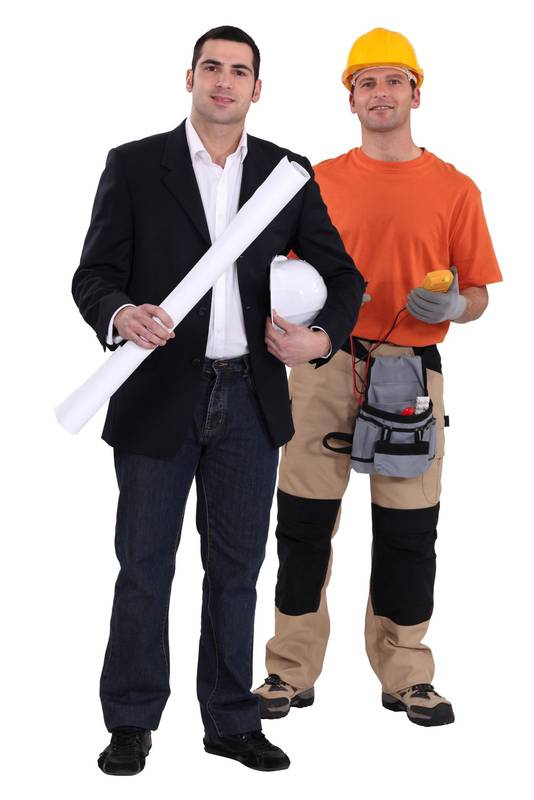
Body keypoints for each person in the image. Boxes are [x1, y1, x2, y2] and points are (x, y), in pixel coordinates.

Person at [71, 25, 363, 774]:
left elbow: (344, 277)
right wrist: (119, 313)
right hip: (157, 394)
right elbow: (93, 275)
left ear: (257, 88)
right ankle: (130, 719)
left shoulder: (285, 174)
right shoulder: (136, 165)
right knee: (144, 567)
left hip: (251, 399)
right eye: (212, 67)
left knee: (236, 571)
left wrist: (319, 339)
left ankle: (231, 721)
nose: (224, 81)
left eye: (239, 71)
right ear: (191, 77)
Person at [255, 27, 502, 727]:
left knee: (408, 529)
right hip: (323, 363)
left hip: (411, 373)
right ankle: (289, 669)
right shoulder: (317, 182)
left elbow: (478, 292)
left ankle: (407, 673)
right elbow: (279, 274)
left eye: (394, 80)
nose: (381, 93)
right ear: (352, 99)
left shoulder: (456, 189)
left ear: (415, 94)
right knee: (302, 523)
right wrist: (300, 314)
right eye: (366, 82)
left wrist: (457, 306)